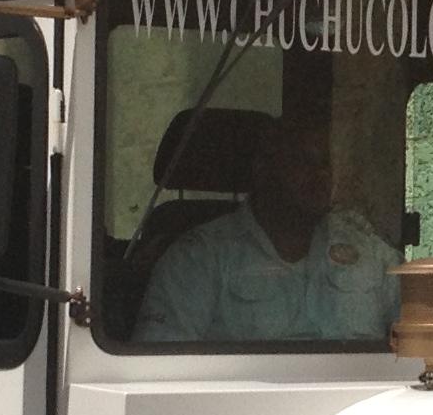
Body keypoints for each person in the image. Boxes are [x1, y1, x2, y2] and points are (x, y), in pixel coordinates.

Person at [137, 113, 396, 343]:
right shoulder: (198, 260)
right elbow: (161, 369)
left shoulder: (370, 254)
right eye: (303, 162)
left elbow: (426, 342)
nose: (320, 175)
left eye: (324, 164)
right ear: (263, 169)